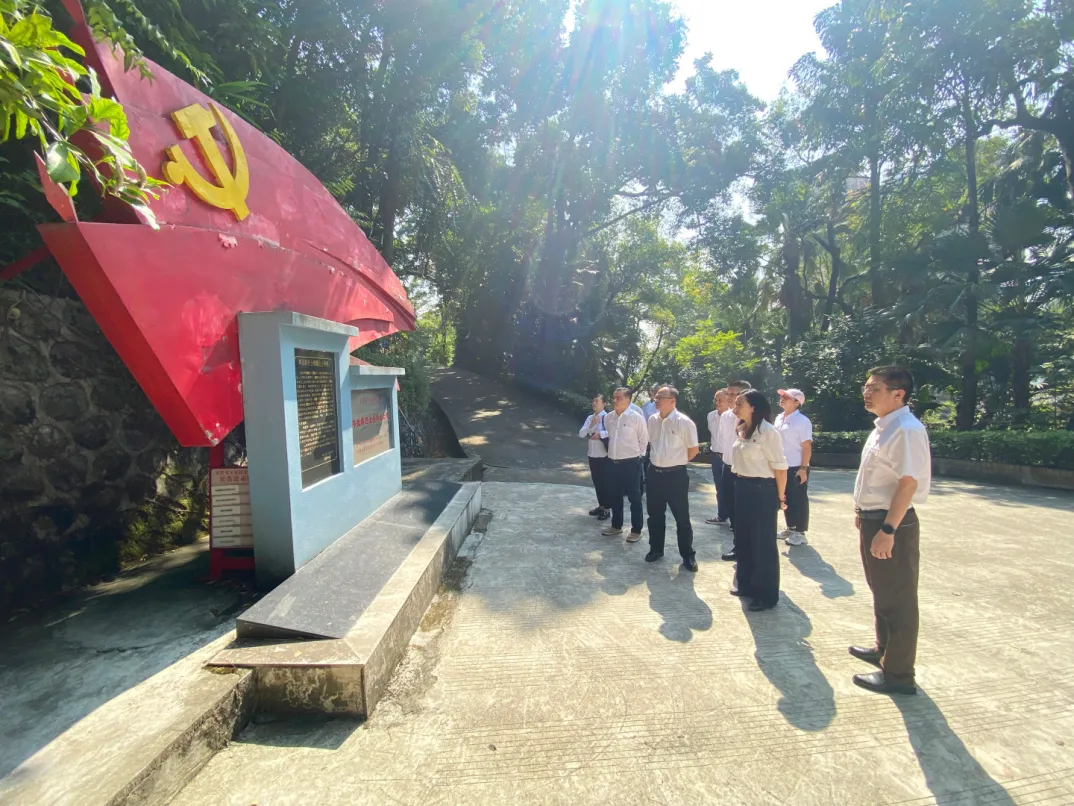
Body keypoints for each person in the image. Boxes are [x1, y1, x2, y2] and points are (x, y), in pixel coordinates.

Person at [849, 366, 931, 696]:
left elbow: (908, 484)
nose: (866, 393)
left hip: (890, 522)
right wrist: (862, 512)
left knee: (898, 599)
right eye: (866, 387)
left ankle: (899, 674)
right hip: (874, 518)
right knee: (882, 590)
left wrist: (888, 528)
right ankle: (883, 650)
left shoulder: (906, 430)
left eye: (875, 388)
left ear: (899, 394)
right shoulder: (884, 427)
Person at [726, 389, 788, 611]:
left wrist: (780, 496)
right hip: (742, 486)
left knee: (763, 543)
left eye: (739, 404)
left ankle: (766, 595)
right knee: (743, 538)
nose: (735, 408)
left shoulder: (768, 432)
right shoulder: (742, 428)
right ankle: (746, 584)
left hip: (762, 490)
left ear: (753, 407)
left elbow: (780, 468)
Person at [645, 385, 700, 572]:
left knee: (682, 517)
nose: (656, 400)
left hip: (675, 476)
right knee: (654, 515)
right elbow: (650, 444)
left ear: (672, 401)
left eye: (660, 397)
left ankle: (687, 554)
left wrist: (675, 462)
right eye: (656, 397)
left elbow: (693, 450)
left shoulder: (684, 422)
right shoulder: (652, 420)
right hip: (654, 474)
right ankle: (656, 549)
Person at [602, 387, 648, 543]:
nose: (615, 400)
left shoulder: (636, 418)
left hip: (631, 463)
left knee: (634, 497)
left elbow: (644, 439)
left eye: (619, 398)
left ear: (628, 400)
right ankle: (616, 525)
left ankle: (636, 530)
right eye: (614, 397)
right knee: (615, 496)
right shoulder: (608, 417)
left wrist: (639, 457)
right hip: (612, 462)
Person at [718, 380, 752, 560]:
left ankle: (748, 549)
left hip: (746, 472)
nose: (729, 397)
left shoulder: (753, 419)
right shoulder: (725, 416)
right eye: (728, 393)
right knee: (732, 509)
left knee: (745, 512)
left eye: (734, 394)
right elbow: (724, 441)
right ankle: (739, 546)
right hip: (728, 467)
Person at [774, 388, 813, 546]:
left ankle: (800, 532)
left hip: (796, 466)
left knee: (798, 499)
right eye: (782, 396)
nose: (782, 398)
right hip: (781, 466)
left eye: (787, 397)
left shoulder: (802, 421)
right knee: (785, 497)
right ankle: (791, 528)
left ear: (797, 402)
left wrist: (803, 469)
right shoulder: (779, 418)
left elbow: (807, 445)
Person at [580, 394, 611, 521]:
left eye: (597, 401)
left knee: (605, 483)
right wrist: (591, 425)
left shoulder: (608, 417)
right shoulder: (590, 417)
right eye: (593, 400)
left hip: (604, 455)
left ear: (604, 403)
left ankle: (607, 509)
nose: (594, 403)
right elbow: (582, 434)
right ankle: (601, 506)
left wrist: (600, 434)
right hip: (592, 454)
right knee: (597, 482)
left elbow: (614, 433)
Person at [705, 389, 731, 525]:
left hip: (729, 457)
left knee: (731, 488)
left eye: (721, 400)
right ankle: (722, 515)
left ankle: (735, 519)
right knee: (719, 487)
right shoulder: (711, 416)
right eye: (715, 399)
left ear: (728, 400)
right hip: (715, 456)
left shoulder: (733, 416)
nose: (717, 402)